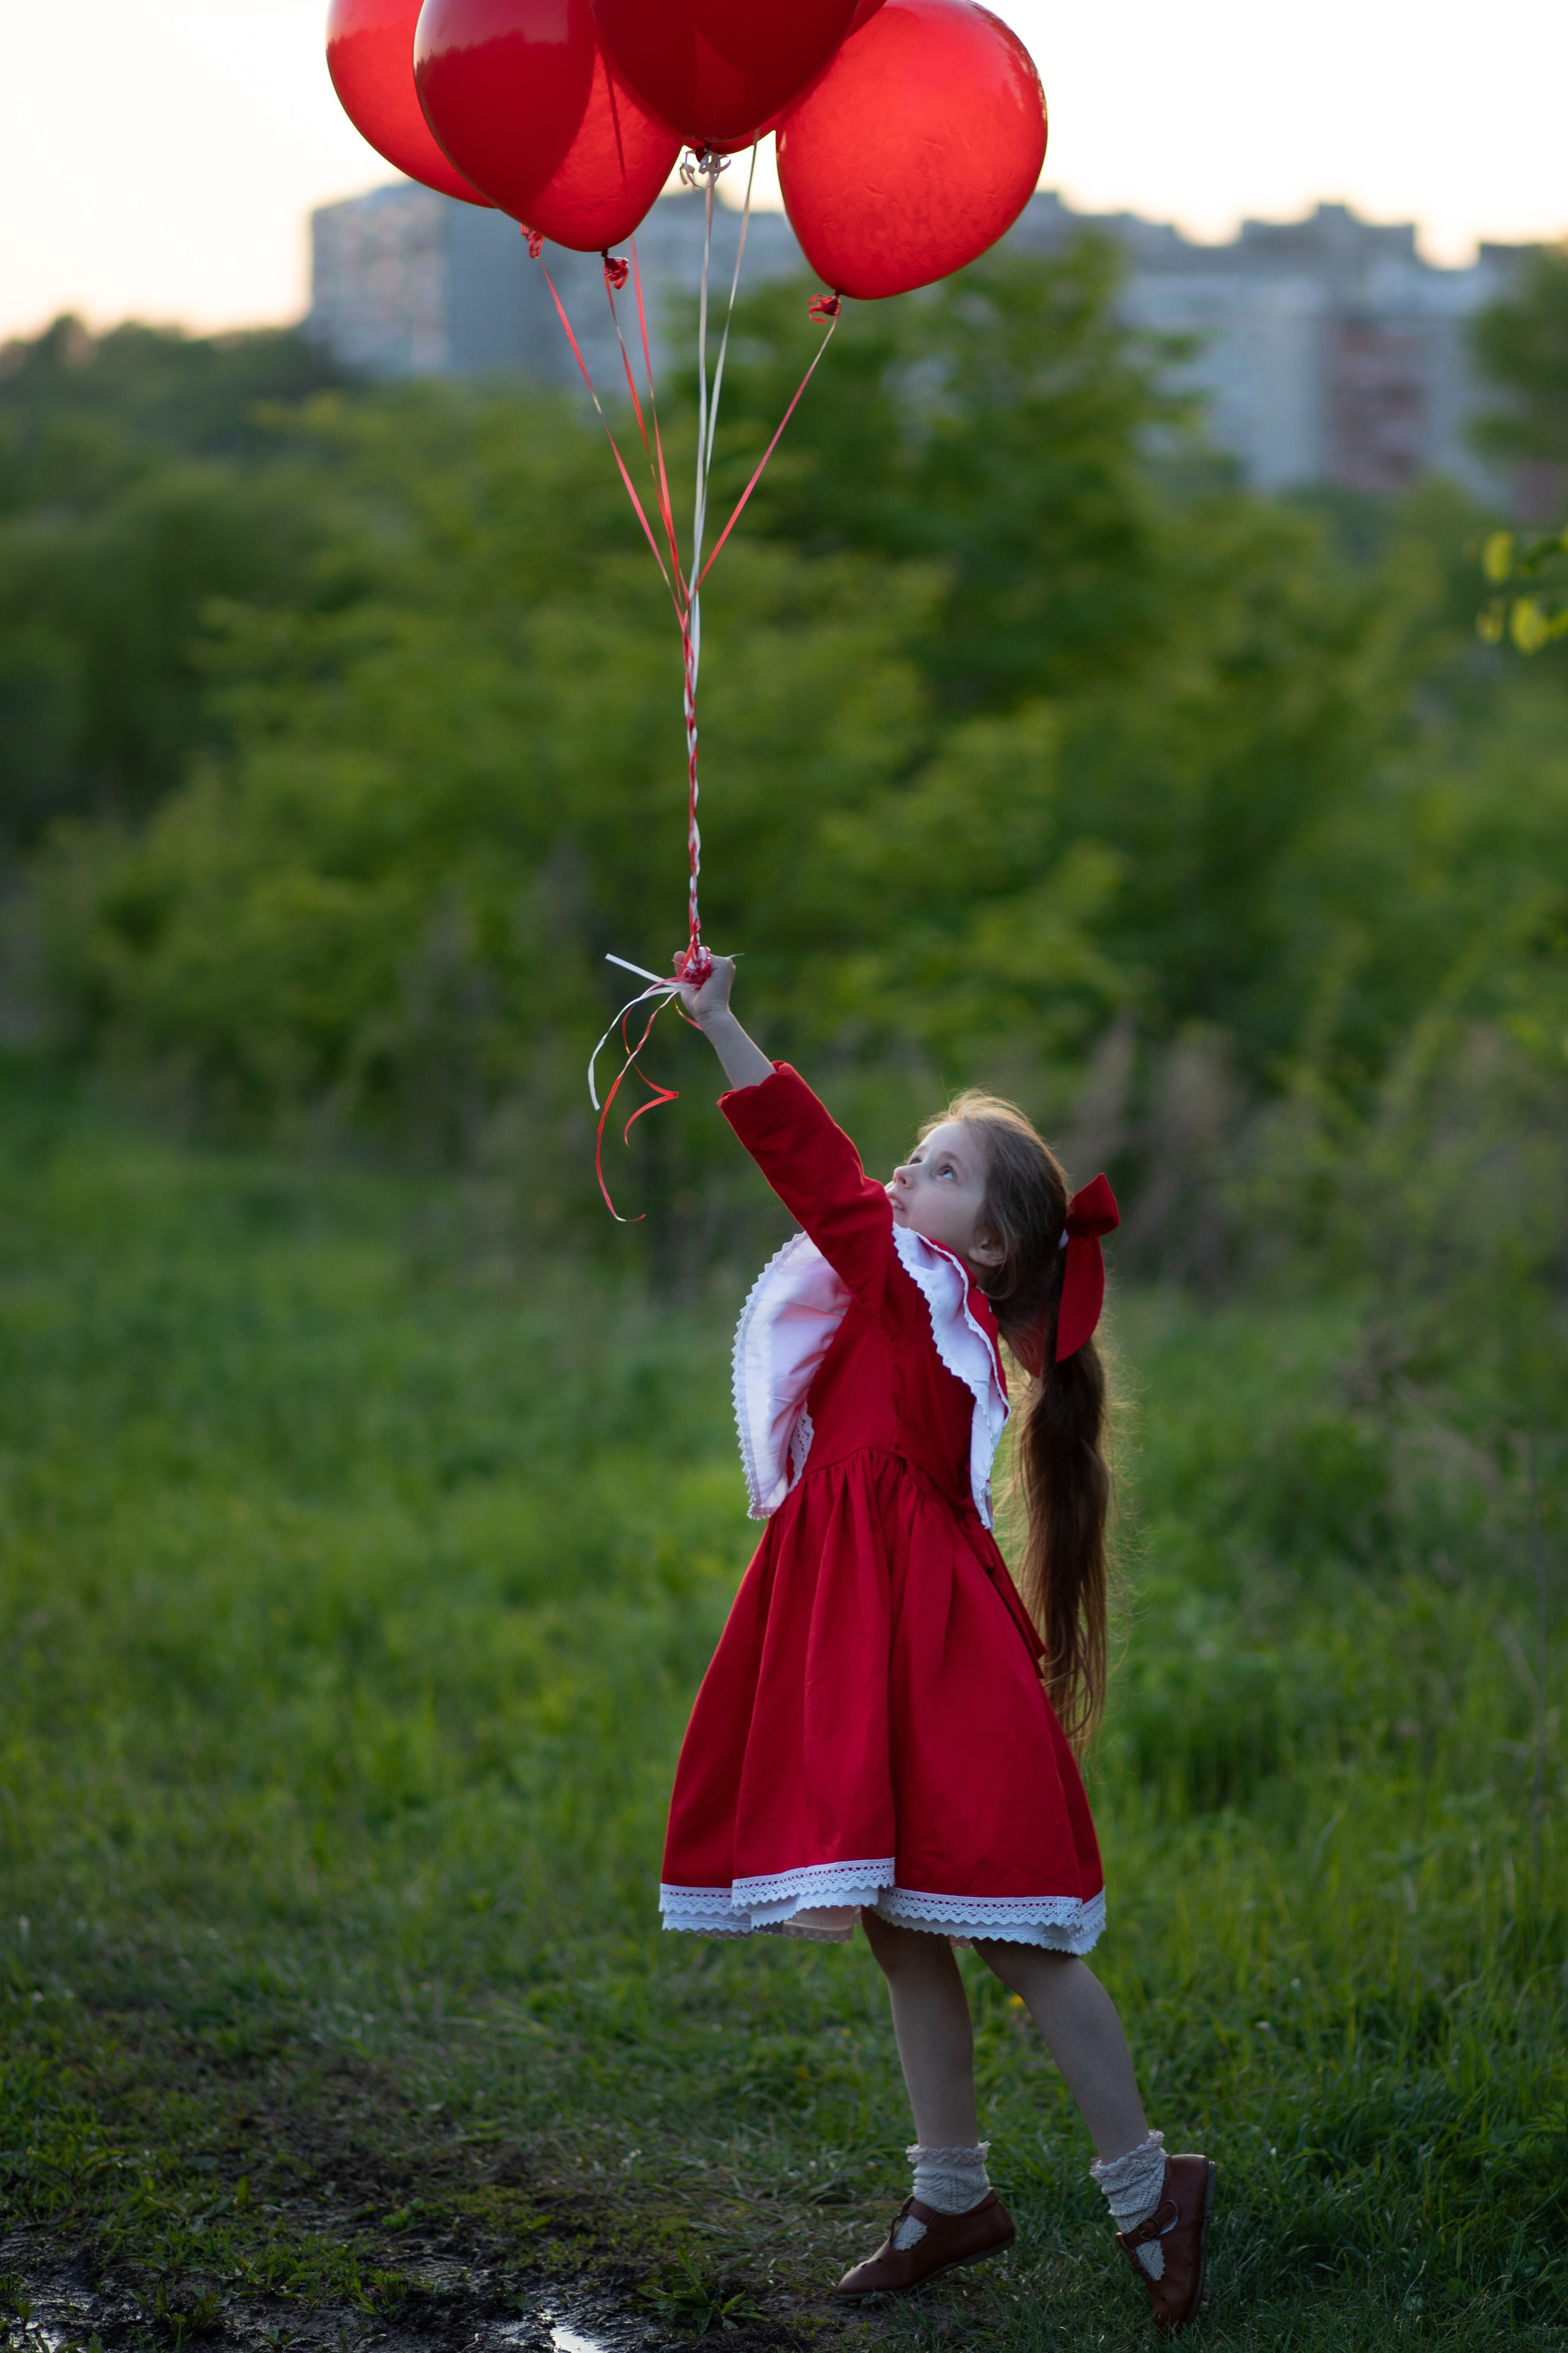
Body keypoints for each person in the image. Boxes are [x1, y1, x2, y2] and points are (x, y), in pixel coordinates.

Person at [658, 957, 1214, 2332]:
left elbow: (817, 1174)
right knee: (900, 1928)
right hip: (863, 1635)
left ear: (990, 1252)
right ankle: (949, 2188)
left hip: (927, 1656)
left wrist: (724, 1023)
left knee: (1015, 1930)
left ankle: (1149, 2185)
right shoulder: (901, 1303)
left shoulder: (915, 1294)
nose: (903, 1177)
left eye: (937, 1169)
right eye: (912, 1159)